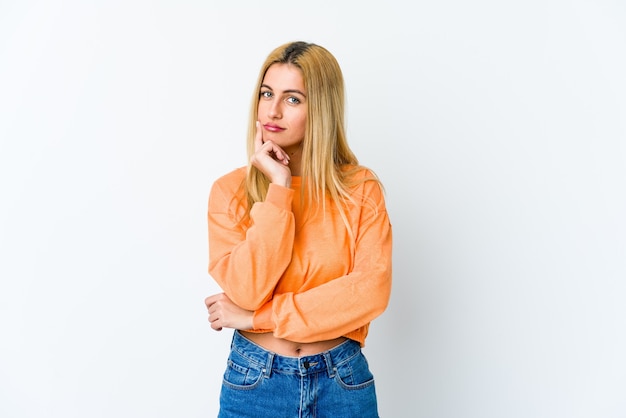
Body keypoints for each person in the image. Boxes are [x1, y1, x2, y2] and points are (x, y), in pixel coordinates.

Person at [204, 41, 392, 418]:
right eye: (267, 94)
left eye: (293, 99)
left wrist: (257, 318)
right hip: (255, 382)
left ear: (320, 109)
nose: (272, 110)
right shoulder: (230, 192)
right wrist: (279, 188)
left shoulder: (360, 189)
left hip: (342, 382)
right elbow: (246, 289)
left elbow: (367, 293)